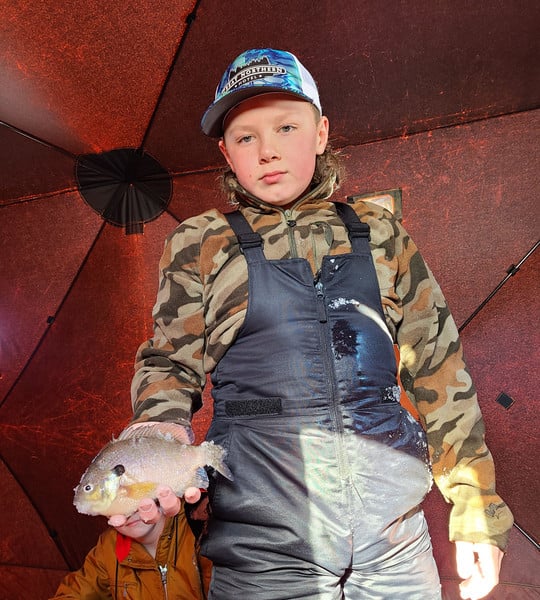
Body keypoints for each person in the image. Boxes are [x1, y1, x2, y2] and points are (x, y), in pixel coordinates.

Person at [121, 48, 513, 599]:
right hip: (261, 555)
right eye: (245, 137)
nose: (268, 150)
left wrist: (476, 507)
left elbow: (439, 367)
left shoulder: (380, 233)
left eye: (286, 126)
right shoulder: (200, 241)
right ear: (226, 154)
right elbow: (169, 362)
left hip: (396, 547)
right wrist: (158, 433)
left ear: (322, 132)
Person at [51, 497, 211, 599]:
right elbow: (75, 593)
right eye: (114, 500)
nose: (128, 510)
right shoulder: (110, 545)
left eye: (134, 494)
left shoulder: (201, 527)